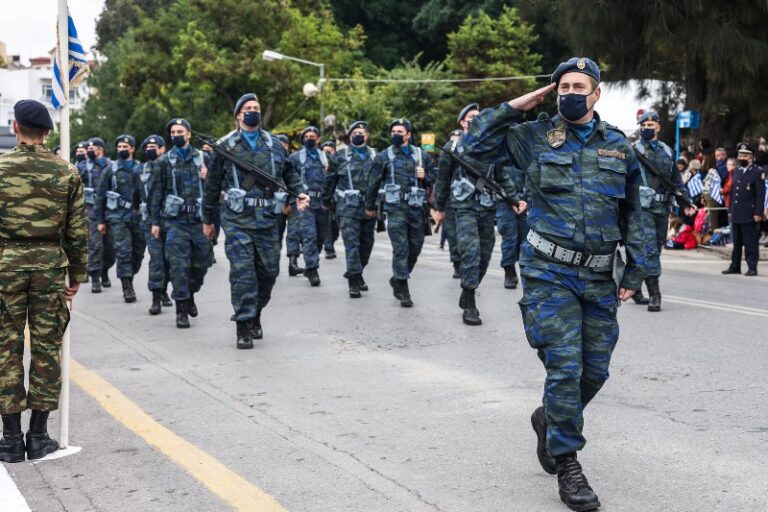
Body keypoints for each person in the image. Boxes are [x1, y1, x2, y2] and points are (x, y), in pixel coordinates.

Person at [462, 58, 651, 511]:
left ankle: (549, 418)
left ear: (596, 93)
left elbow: (634, 212)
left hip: (600, 274)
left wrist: (639, 268)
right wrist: (515, 105)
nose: (569, 91)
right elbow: (472, 147)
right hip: (549, 271)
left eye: (578, 85)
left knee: (595, 371)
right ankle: (568, 462)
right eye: (562, 85)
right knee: (565, 367)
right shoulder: (532, 138)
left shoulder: (618, 147)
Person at [0, 100, 88, 462]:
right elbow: (77, 233)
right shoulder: (66, 173)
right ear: (47, 132)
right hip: (50, 268)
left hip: (5, 267)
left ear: (15, 128)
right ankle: (38, 436)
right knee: (46, 349)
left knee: (5, 350)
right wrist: (78, 275)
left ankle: (8, 441)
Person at [204, 93, 309, 348]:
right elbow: (212, 186)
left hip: (268, 219)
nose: (253, 111)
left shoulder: (273, 144)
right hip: (237, 219)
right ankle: (243, 324)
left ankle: (255, 312)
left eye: (256, 108)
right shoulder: (225, 146)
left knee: (269, 271)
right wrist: (209, 221)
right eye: (248, 108)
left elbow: (289, 172)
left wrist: (299, 192)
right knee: (242, 272)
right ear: (239, 115)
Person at [434, 103, 523, 325]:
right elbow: (442, 179)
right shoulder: (452, 148)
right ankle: (471, 302)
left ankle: (468, 290)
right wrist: (439, 208)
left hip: (487, 206)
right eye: (471, 118)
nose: (476, 120)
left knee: (484, 255)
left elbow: (502, 176)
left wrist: (513, 199)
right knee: (471, 253)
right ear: (463, 123)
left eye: (479, 117)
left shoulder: (494, 147)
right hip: (463, 207)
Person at [149, 118, 212, 328]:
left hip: (199, 221)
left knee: (202, 263)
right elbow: (156, 193)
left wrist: (207, 177)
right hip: (175, 223)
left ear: (189, 134)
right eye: (173, 132)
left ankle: (191, 293)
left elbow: (217, 190)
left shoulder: (203, 158)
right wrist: (155, 222)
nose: (176, 134)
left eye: (180, 131)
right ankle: (181, 309)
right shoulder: (164, 161)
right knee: (178, 266)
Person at [365, 118, 433, 308]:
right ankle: (403, 287)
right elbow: (373, 182)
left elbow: (436, 178)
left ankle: (397, 277)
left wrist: (425, 175)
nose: (396, 134)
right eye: (393, 131)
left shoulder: (422, 156)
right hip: (395, 209)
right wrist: (370, 206)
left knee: (416, 246)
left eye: (400, 132)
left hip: (417, 208)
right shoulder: (384, 156)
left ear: (409, 135)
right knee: (401, 248)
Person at [631, 111, 695, 311]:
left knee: (654, 250)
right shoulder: (633, 150)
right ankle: (655, 295)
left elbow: (675, 181)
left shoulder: (667, 151)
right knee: (649, 248)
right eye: (644, 125)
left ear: (658, 127)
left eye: (651, 124)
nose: (647, 128)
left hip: (663, 208)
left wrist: (686, 202)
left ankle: (636, 287)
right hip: (643, 208)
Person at [323, 121, 377, 298]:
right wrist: (327, 201)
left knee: (367, 244)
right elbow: (329, 180)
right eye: (354, 132)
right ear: (350, 136)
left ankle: (358, 271)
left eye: (361, 132)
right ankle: (353, 280)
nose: (358, 135)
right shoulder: (340, 156)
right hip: (347, 208)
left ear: (367, 136)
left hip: (369, 207)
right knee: (352, 244)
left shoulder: (376, 156)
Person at [95, 135, 145, 303]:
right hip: (117, 216)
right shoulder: (111, 169)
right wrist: (100, 220)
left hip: (138, 217)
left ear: (132, 148)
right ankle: (127, 287)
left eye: (125, 146)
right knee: (124, 252)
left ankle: (130, 274)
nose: (122, 149)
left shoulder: (141, 169)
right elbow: (100, 196)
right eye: (119, 147)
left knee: (138, 252)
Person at [290, 126, 330, 286]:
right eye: (306, 136)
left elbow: (332, 179)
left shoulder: (325, 157)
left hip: (321, 202)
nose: (310, 138)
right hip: (305, 203)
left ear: (318, 139)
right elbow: (288, 179)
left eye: (313, 136)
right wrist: (290, 200)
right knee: (309, 235)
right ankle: (312, 269)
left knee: (320, 237)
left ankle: (312, 261)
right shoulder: (295, 157)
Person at [77, 137, 116, 292]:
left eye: (94, 148)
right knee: (95, 245)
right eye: (89, 149)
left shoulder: (110, 166)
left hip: (110, 210)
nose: (91, 151)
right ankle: (94, 277)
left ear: (101, 149)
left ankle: (105, 271)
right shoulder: (82, 166)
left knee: (111, 247)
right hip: (91, 211)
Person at [139, 135, 173, 315]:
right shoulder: (142, 169)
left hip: (171, 220)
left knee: (169, 259)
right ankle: (155, 297)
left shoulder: (171, 167)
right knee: (156, 259)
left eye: (153, 146)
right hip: (150, 221)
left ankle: (164, 290)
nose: (150, 150)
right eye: (147, 147)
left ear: (162, 148)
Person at [722, 143, 766, 276]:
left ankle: (752, 267)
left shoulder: (757, 172)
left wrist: (758, 213)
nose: (742, 157)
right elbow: (734, 193)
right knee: (737, 243)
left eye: (745, 155)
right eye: (740, 155)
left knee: (750, 243)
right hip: (736, 212)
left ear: (751, 157)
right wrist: (730, 210)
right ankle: (735, 266)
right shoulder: (737, 171)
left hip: (749, 213)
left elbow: (760, 194)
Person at [274, 134, 304, 276]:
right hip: (275, 202)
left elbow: (296, 181)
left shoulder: (292, 160)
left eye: (284, 145)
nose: (282, 147)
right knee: (276, 234)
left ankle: (293, 262)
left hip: (292, 201)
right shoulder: (271, 160)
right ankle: (272, 262)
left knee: (294, 233)